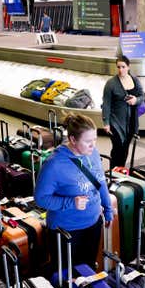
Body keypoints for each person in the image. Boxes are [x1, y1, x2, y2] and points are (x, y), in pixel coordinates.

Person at [34, 113, 115, 269]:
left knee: (88, 269)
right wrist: (71, 202)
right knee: (67, 275)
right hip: (67, 230)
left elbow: (100, 181)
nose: (93, 145)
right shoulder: (54, 164)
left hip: (93, 223)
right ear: (72, 139)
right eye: (88, 141)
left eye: (95, 140)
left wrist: (108, 209)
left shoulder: (93, 153)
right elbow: (41, 198)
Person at [102, 55, 145, 168]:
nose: (120, 70)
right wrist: (106, 123)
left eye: (123, 67)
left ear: (128, 67)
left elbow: (142, 96)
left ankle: (120, 172)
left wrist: (136, 100)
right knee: (117, 148)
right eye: (118, 67)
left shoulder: (134, 80)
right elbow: (106, 103)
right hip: (115, 122)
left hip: (131, 121)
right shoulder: (111, 83)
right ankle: (113, 172)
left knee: (125, 148)